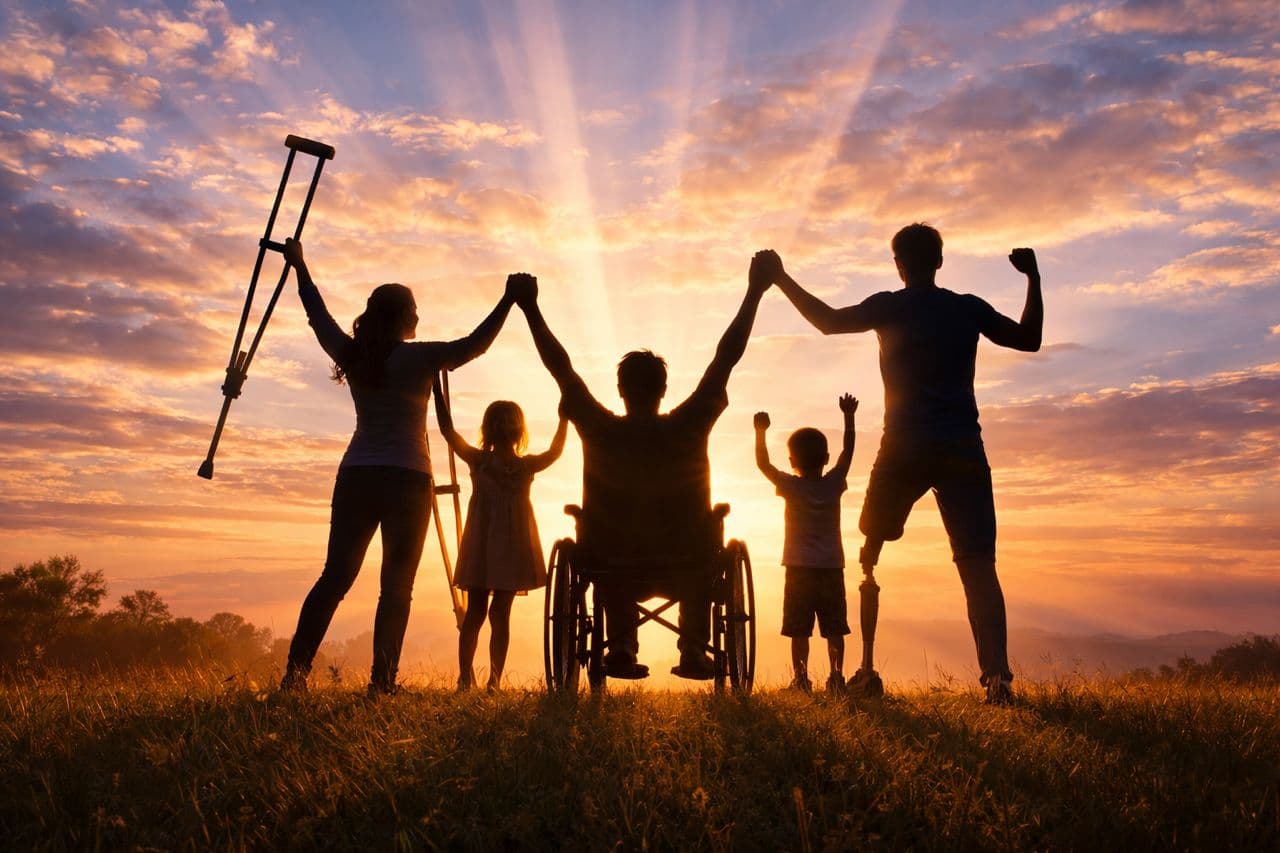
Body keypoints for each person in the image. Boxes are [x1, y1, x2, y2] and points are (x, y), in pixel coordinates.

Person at [761, 225, 1042, 704]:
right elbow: (1029, 339)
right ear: (940, 260)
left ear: (899, 264)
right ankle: (997, 678)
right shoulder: (966, 307)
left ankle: (865, 666)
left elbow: (827, 321)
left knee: (870, 553)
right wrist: (1033, 278)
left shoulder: (889, 306)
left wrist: (781, 279)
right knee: (978, 566)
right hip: (962, 448)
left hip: (904, 448)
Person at [278, 237, 521, 697]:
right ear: (402, 316)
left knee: (335, 577)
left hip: (357, 476)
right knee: (396, 588)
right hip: (408, 480)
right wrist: (507, 300)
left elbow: (317, 318)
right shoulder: (419, 356)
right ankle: (382, 684)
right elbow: (475, 345)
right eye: (413, 309)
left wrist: (301, 268)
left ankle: (295, 676)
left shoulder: (354, 354)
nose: (418, 316)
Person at [512, 257, 771, 680]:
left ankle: (620, 650)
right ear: (663, 389)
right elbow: (726, 358)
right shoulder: (689, 425)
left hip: (612, 558)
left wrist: (530, 309)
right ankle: (692, 650)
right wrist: (755, 291)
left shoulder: (598, 428)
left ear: (620, 389)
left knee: (614, 560)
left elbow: (560, 368)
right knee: (698, 555)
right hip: (687, 560)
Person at [433, 386, 568, 691]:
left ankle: (469, 678)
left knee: (479, 612)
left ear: (487, 429)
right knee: (496, 613)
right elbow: (556, 452)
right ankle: (488, 680)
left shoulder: (480, 461)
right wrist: (563, 417)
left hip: (484, 542)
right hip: (510, 545)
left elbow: (447, 430)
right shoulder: (522, 465)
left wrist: (435, 389)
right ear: (520, 431)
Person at [754, 394, 858, 694]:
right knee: (834, 628)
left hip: (798, 568)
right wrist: (848, 417)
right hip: (831, 567)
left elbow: (763, 464)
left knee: (799, 630)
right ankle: (836, 678)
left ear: (792, 461)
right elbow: (848, 453)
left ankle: (800, 679)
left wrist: (760, 431)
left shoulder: (790, 487)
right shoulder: (835, 483)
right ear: (825, 458)